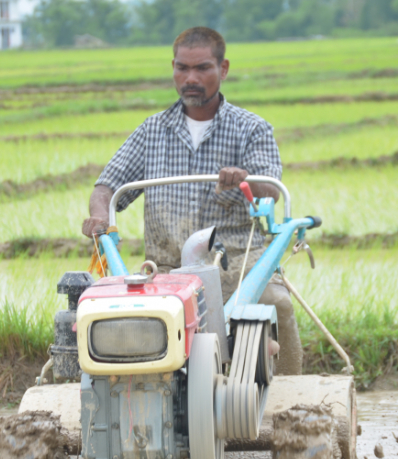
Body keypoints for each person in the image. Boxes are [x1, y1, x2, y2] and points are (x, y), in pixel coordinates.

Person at [81, 27, 302, 375]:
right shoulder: (152, 131)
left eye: (202, 68)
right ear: (173, 68)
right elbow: (107, 187)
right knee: (123, 326)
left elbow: (270, 190)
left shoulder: (251, 128)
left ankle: (290, 392)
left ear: (223, 69)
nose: (191, 79)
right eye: (182, 68)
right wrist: (99, 216)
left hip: (238, 268)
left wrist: (245, 178)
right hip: (166, 271)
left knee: (277, 303)